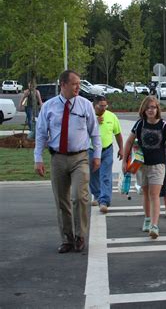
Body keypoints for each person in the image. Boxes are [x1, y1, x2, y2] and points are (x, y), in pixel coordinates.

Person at [34, 70, 101, 253]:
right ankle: (67, 239)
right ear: (63, 85)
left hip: (80, 157)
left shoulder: (85, 105)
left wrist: (97, 155)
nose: (78, 87)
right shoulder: (49, 107)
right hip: (57, 158)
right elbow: (40, 134)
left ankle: (80, 236)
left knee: (79, 197)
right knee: (61, 200)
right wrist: (38, 158)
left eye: (79, 83)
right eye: (74, 84)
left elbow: (94, 133)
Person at [122, 96, 166, 239]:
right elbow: (128, 142)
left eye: (154, 107)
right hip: (141, 165)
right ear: (143, 110)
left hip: (158, 164)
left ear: (158, 109)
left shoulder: (164, 125)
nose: (151, 110)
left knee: (154, 195)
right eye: (148, 107)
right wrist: (124, 161)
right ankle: (147, 218)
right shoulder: (140, 124)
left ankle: (154, 225)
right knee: (146, 194)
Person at [89, 96, 123, 214]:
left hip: (107, 150)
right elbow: (80, 133)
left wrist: (121, 149)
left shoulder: (112, 116)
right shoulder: (88, 116)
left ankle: (104, 202)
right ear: (95, 106)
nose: (103, 108)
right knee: (92, 176)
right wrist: (93, 123)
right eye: (101, 106)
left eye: (105, 106)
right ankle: (98, 195)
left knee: (105, 176)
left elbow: (118, 134)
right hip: (91, 150)